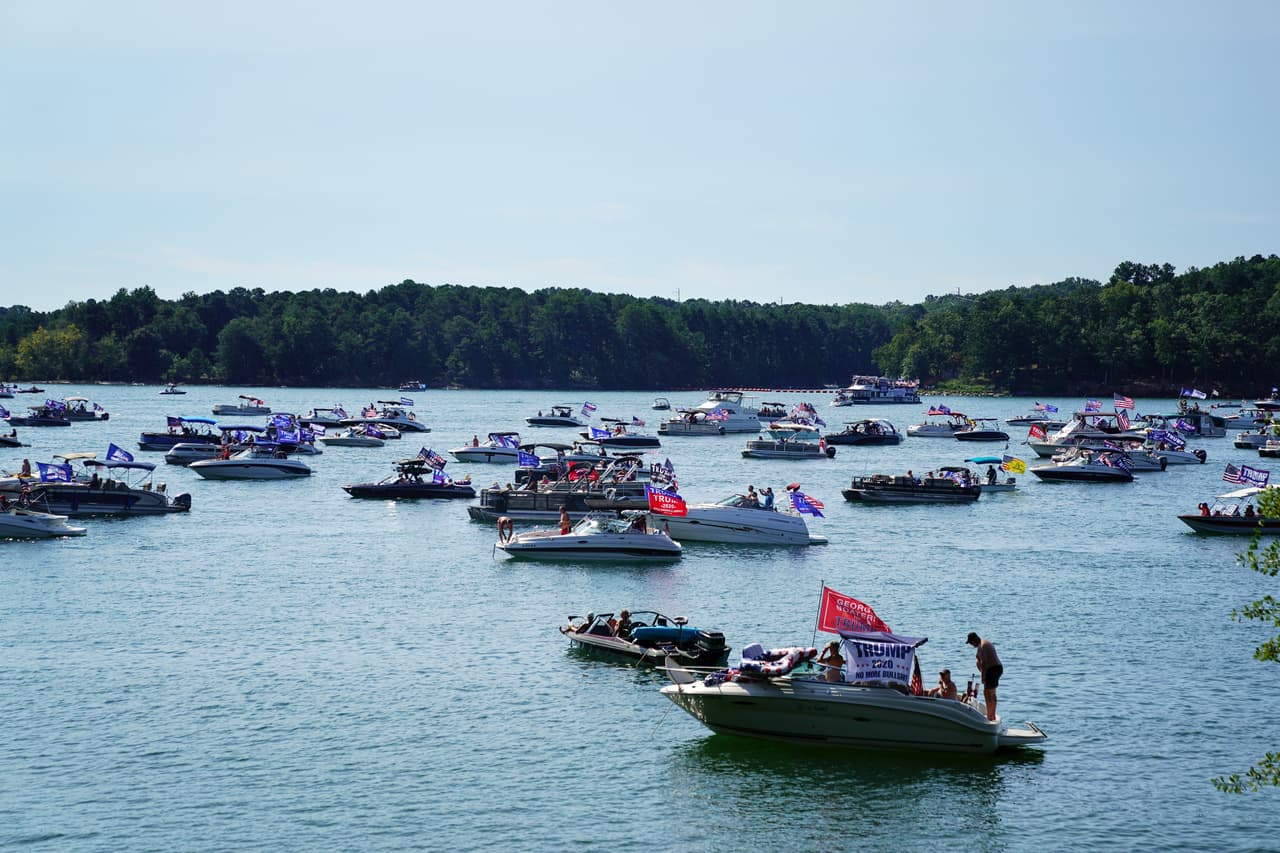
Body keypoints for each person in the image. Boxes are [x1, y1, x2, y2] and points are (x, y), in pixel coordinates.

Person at [967, 632, 1003, 722]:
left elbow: (984, 664)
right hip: (997, 668)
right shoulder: (983, 643)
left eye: (971, 643)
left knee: (987, 693)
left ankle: (990, 716)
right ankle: (992, 715)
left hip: (992, 670)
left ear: (974, 640)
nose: (971, 645)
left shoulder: (982, 646)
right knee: (991, 692)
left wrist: (982, 677)